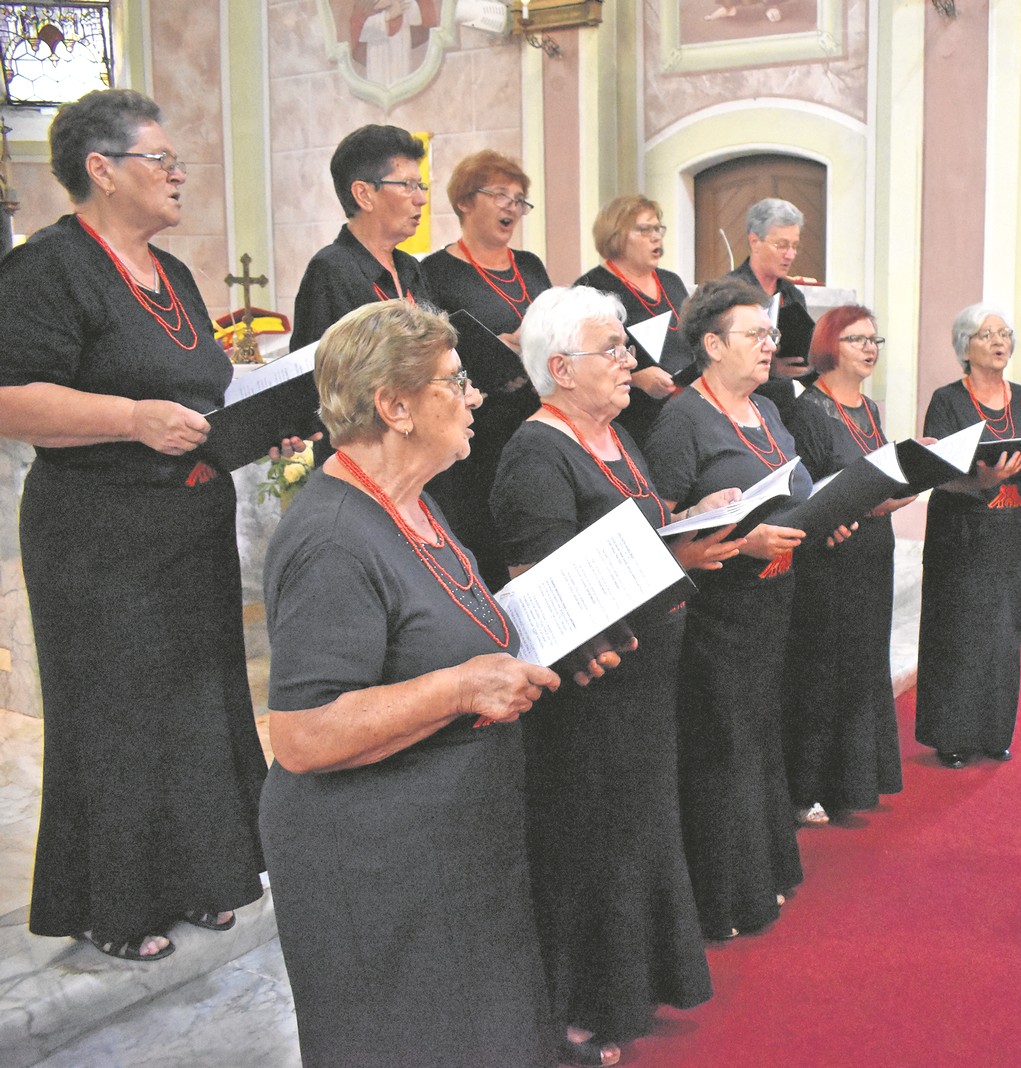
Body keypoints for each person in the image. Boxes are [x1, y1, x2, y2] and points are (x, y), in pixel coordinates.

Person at [259, 300, 566, 1068]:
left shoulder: (408, 499)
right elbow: (302, 736)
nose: (474, 398)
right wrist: (462, 689)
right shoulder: (332, 537)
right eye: (454, 382)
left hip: (447, 846)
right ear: (394, 406)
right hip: (375, 866)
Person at [0, 89, 269, 962]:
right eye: (161, 159)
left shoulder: (174, 272)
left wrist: (263, 410)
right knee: (117, 716)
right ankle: (111, 903)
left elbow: (201, 383)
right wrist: (131, 418)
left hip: (186, 522)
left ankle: (203, 874)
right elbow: (12, 399)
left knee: (195, 705)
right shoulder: (47, 268)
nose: (179, 172)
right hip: (97, 533)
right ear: (101, 170)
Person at [491, 287, 743, 1064]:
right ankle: (583, 1004)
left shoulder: (614, 434)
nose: (631, 361)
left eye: (627, 348)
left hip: (645, 672)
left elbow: (637, 524)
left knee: (637, 832)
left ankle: (633, 984)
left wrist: (689, 519)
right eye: (615, 350)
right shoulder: (536, 451)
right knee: (590, 842)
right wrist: (681, 556)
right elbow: (547, 581)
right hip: (592, 689)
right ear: (560, 369)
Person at [643, 276, 816, 940]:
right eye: (755, 335)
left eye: (771, 334)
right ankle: (723, 895)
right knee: (723, 746)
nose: (770, 346)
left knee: (759, 740)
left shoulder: (766, 410)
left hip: (774, 601)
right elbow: (662, 529)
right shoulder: (683, 419)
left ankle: (762, 870)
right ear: (712, 344)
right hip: (716, 612)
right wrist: (744, 541)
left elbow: (793, 487)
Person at [783, 305, 910, 824]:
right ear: (830, 345)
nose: (869, 348)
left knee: (863, 663)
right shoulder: (809, 409)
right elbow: (804, 491)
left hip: (874, 548)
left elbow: (880, 476)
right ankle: (807, 785)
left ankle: (854, 783)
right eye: (858, 339)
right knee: (823, 667)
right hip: (830, 554)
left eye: (875, 340)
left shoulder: (871, 409)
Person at [915, 304, 1021, 768]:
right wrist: (983, 482)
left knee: (1003, 632)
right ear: (965, 347)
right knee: (959, 632)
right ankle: (951, 734)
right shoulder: (947, 401)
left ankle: (995, 731)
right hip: (960, 534)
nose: (999, 341)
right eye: (986, 334)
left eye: (1004, 334)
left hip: (1009, 534)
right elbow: (935, 474)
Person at [421, 148, 549, 589]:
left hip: (531, 419)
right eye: (500, 194)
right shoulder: (435, 272)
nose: (512, 206)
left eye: (519, 198)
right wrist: (494, 345)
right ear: (464, 201)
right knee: (483, 538)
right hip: (477, 426)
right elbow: (432, 346)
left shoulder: (530, 266)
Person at [291, 124, 432, 352]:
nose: (421, 199)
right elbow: (317, 373)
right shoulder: (330, 271)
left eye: (421, 185)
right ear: (364, 195)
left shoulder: (410, 267)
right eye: (408, 185)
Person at [575, 194, 691, 443]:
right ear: (616, 235)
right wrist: (637, 379)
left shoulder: (671, 281)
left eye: (658, 228)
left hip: (685, 412)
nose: (656, 236)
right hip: (630, 420)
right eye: (644, 229)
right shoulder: (591, 288)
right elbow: (582, 363)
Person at [725, 197, 814, 421]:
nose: (790, 255)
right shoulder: (727, 292)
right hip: (741, 405)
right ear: (755, 241)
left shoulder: (792, 296)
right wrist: (768, 366)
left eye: (794, 246)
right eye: (782, 245)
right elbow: (717, 360)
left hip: (785, 405)